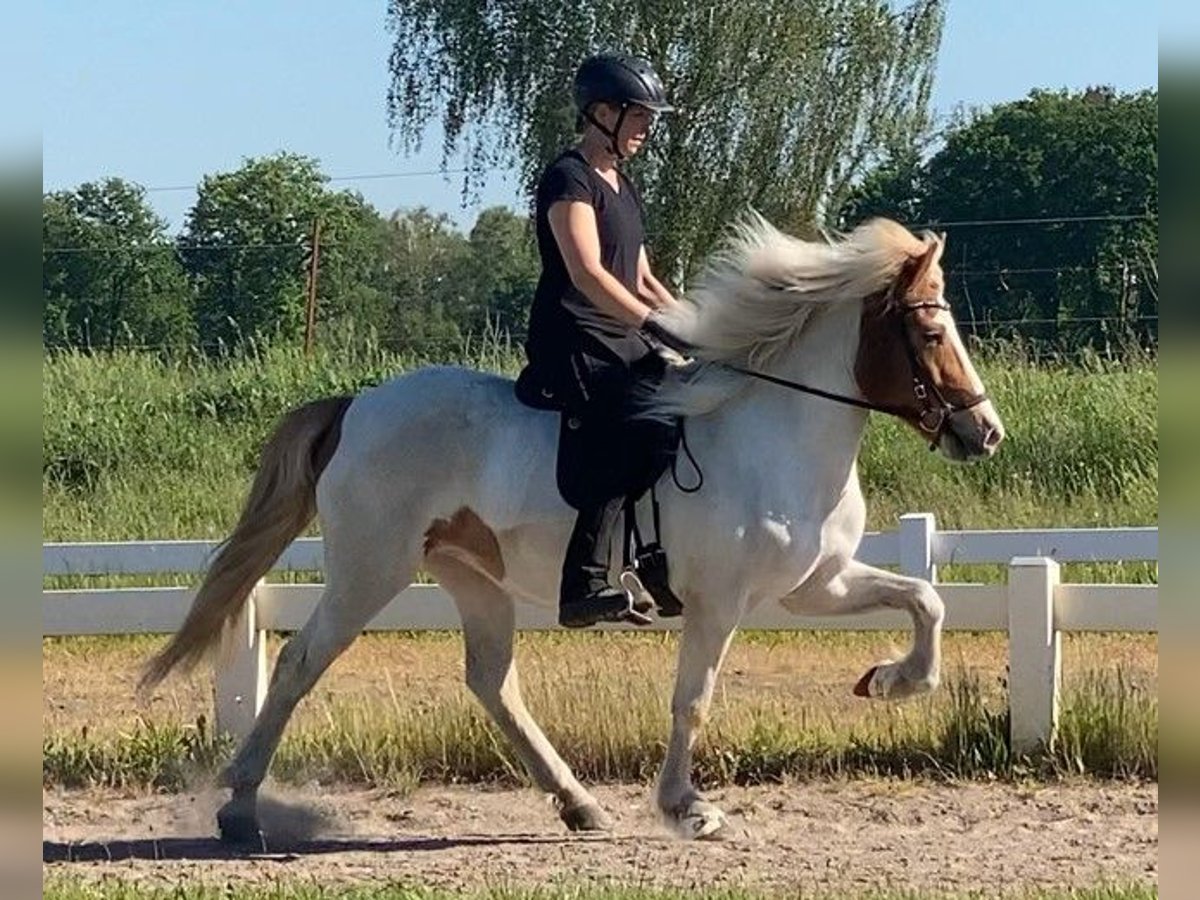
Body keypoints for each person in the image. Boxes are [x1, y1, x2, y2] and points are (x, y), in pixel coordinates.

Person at [519, 53, 694, 629]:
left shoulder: (623, 183)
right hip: (575, 335)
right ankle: (583, 583)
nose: (647, 128)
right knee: (630, 421)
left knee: (679, 406)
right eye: (638, 115)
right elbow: (588, 272)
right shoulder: (568, 178)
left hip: (620, 332)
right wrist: (651, 324)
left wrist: (694, 325)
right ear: (601, 113)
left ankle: (649, 559)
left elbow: (640, 276)